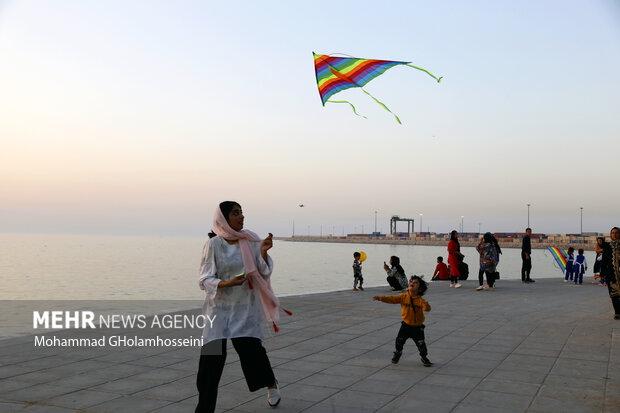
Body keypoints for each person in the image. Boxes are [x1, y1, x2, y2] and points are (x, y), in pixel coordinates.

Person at [196, 201, 281, 412]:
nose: (241, 217)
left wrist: (262, 251)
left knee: (252, 353)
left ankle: (271, 384)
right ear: (224, 218)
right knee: (210, 362)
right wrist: (227, 283)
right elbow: (204, 279)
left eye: (242, 212)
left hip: (244, 308)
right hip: (218, 309)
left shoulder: (251, 241)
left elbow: (263, 271)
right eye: (236, 213)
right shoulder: (214, 244)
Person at [373, 275, 432, 367]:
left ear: (420, 290)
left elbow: (426, 309)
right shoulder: (403, 297)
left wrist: (426, 306)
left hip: (417, 327)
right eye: (411, 282)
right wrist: (381, 298)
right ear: (408, 287)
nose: (412, 283)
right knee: (399, 341)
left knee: (421, 345)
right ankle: (398, 352)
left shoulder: (420, 300)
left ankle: (424, 357)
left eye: (415, 283)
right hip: (406, 325)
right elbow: (392, 299)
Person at [600, 227, 620, 320]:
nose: (614, 235)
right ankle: (617, 312)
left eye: (616, 233)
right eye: (612, 233)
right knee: (614, 294)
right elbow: (604, 261)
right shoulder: (607, 246)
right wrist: (602, 274)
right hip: (611, 274)